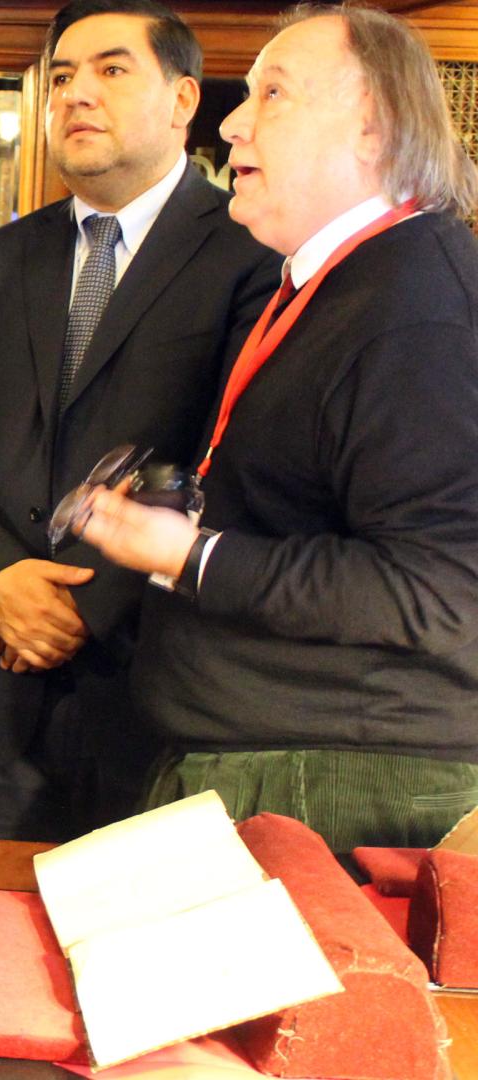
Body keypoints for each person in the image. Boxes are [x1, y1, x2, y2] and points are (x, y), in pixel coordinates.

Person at [74, 2, 478, 853]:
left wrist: (190, 556)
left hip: (337, 786)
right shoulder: (343, 280)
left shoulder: (416, 305)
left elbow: (439, 589)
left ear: (373, 128)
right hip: (278, 763)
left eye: (272, 95)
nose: (232, 121)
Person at [0, 0, 279, 842]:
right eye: (61, 77)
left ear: (183, 101)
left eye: (111, 70)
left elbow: (237, 463)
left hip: (152, 693)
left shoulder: (253, 257)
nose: (75, 95)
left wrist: (80, 611)